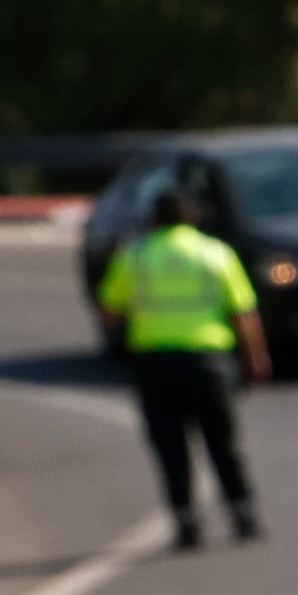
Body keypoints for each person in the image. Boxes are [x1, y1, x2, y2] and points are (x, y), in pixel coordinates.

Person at [97, 173, 271, 548]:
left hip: (155, 364)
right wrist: (256, 357)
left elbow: (110, 312)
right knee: (222, 443)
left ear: (155, 219)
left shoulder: (136, 256)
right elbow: (244, 312)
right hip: (209, 362)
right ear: (191, 217)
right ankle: (243, 514)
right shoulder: (216, 254)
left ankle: (186, 521)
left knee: (170, 448)